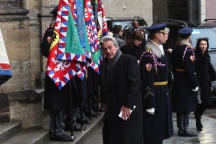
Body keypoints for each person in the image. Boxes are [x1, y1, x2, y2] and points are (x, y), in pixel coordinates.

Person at [100, 36, 143, 144]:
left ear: (116, 46)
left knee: (128, 138)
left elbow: (135, 84)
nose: (108, 51)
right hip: (113, 109)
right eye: (105, 49)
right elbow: (104, 84)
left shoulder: (129, 60)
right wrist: (105, 102)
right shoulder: (104, 63)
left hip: (127, 109)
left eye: (110, 47)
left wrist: (128, 105)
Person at [139, 23, 173, 144]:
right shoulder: (149, 55)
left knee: (159, 133)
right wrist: (149, 103)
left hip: (162, 94)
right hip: (155, 96)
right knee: (153, 133)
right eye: (164, 34)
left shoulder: (159, 52)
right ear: (157, 35)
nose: (166, 36)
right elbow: (147, 80)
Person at [172, 27, 198, 137]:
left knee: (180, 106)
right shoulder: (188, 50)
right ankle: (184, 128)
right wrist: (194, 84)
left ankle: (181, 127)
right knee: (186, 106)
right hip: (186, 80)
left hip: (178, 79)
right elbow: (190, 69)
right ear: (188, 37)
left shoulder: (176, 48)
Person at [194, 38, 216, 131]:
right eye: (202, 44)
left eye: (205, 44)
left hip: (206, 82)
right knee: (199, 102)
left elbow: (208, 70)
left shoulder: (207, 55)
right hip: (198, 82)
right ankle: (198, 121)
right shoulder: (195, 55)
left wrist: (210, 83)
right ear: (198, 45)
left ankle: (198, 117)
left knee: (206, 101)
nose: (204, 46)